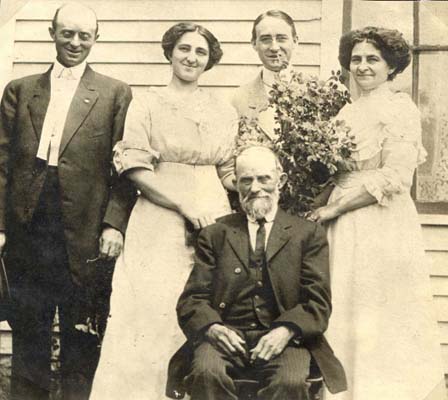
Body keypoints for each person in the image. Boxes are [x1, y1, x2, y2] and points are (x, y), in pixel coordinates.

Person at [90, 22, 238, 399]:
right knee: (152, 309)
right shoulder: (148, 103)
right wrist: (184, 204)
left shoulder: (223, 109)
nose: (191, 57)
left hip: (213, 218)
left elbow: (228, 170)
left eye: (201, 52)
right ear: (170, 52)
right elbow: (135, 167)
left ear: (210, 61)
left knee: (204, 304)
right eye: (184, 49)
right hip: (159, 218)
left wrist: (258, 179)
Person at [0, 3, 134, 400]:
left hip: (86, 228)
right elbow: (2, 162)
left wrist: (114, 223)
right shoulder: (21, 90)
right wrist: (1, 226)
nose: (75, 43)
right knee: (29, 328)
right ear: (51, 32)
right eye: (67, 33)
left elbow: (125, 168)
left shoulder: (114, 93)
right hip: (30, 225)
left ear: (97, 37)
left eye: (84, 35)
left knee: (82, 332)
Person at [309, 27, 447, 400]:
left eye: (373, 59)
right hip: (343, 222)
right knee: (347, 304)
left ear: (391, 67)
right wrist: (319, 204)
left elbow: (394, 177)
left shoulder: (400, 109)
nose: (363, 66)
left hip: (381, 219)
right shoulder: (347, 110)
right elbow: (337, 171)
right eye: (356, 59)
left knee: (380, 306)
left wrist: (334, 207)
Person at [169, 146, 347, 400]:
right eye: (246, 180)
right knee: (206, 373)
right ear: (235, 184)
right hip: (226, 336)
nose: (255, 188)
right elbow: (191, 299)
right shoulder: (216, 234)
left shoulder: (307, 234)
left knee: (290, 382)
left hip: (285, 339)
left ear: (281, 181)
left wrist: (286, 331)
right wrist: (213, 328)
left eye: (264, 178)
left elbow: (317, 302)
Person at [231, 10, 298, 140]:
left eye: (281, 39)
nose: (274, 47)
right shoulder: (237, 99)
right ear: (254, 44)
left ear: (295, 41)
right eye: (266, 39)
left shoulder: (320, 95)